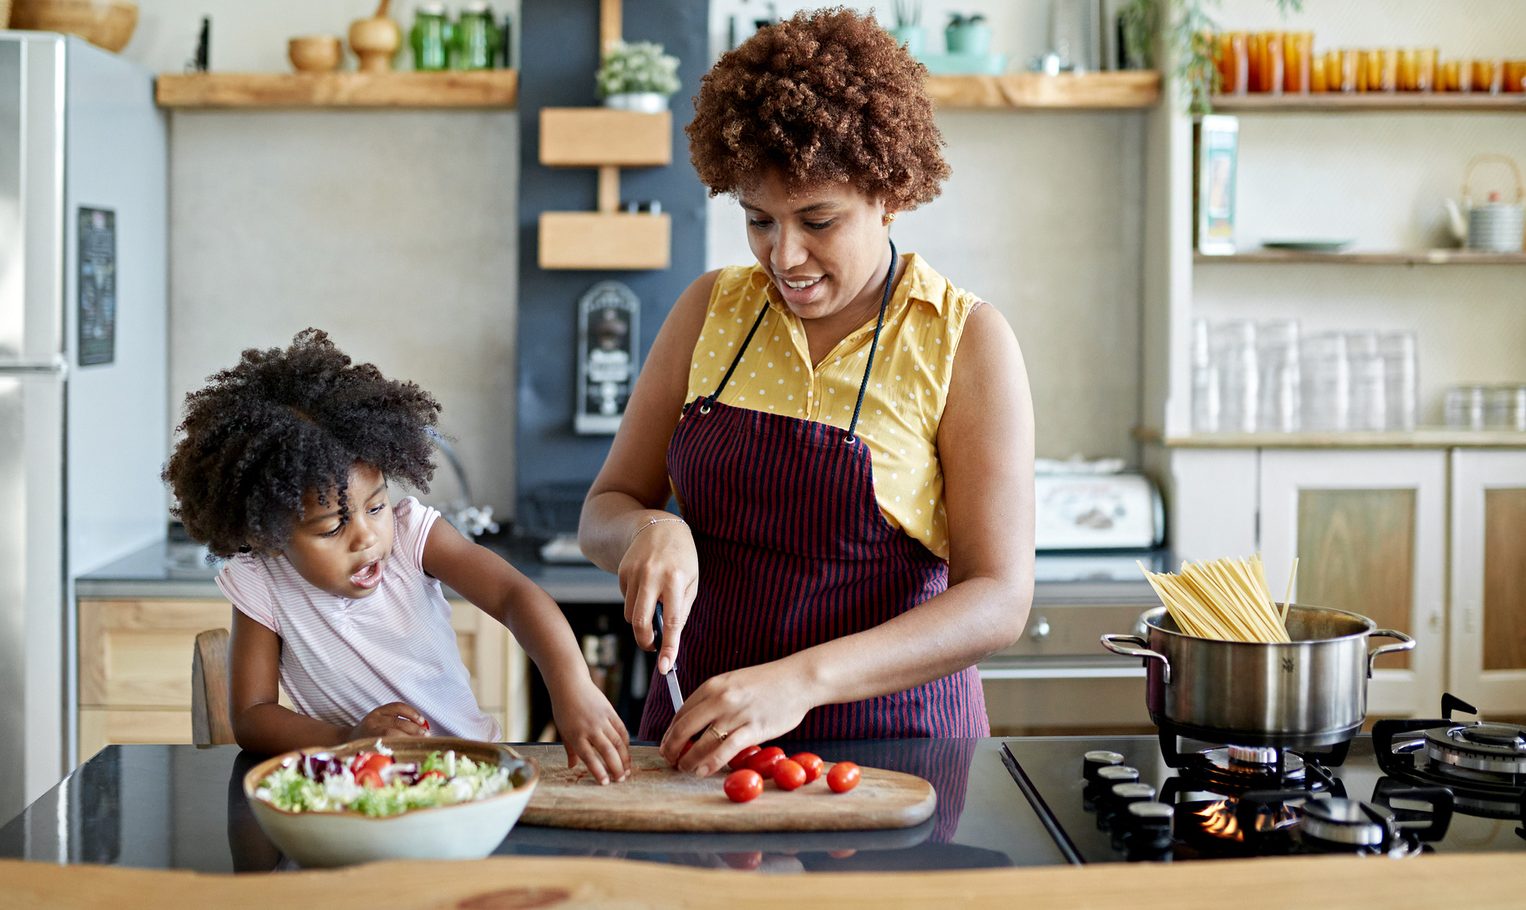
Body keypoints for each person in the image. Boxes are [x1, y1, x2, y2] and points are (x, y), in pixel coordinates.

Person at [578, 9, 1034, 775]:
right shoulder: (710, 310)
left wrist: (800, 682)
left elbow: (998, 598)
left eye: (817, 221)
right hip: (702, 743)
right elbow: (605, 508)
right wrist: (649, 528)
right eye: (759, 220)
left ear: (890, 193)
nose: (784, 256)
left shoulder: (961, 339)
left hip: (896, 756)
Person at [165, 329, 631, 783]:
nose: (367, 537)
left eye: (376, 506)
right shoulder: (263, 581)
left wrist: (571, 686)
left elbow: (514, 595)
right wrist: (349, 738)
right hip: (354, 788)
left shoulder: (411, 537)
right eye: (331, 527)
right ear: (269, 534)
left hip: (469, 775)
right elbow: (251, 715)